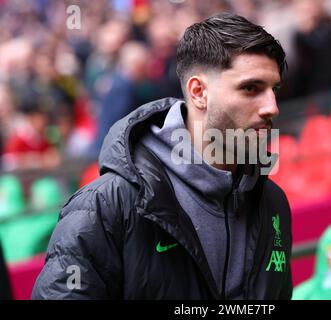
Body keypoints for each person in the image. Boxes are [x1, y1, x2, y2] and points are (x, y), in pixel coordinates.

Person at [32, 13, 293, 300]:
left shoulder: (272, 202)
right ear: (198, 92)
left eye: (274, 90)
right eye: (251, 88)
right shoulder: (105, 207)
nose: (272, 107)